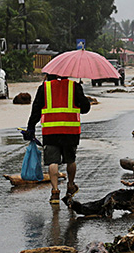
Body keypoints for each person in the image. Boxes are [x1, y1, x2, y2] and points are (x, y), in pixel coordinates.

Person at [24, 74, 92, 204]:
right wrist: (81, 97)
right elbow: (85, 109)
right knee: (70, 160)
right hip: (70, 131)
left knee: (52, 162)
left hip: (50, 131)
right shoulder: (74, 86)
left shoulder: (44, 87)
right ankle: (71, 186)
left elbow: (36, 110)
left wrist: (30, 127)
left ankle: (55, 192)